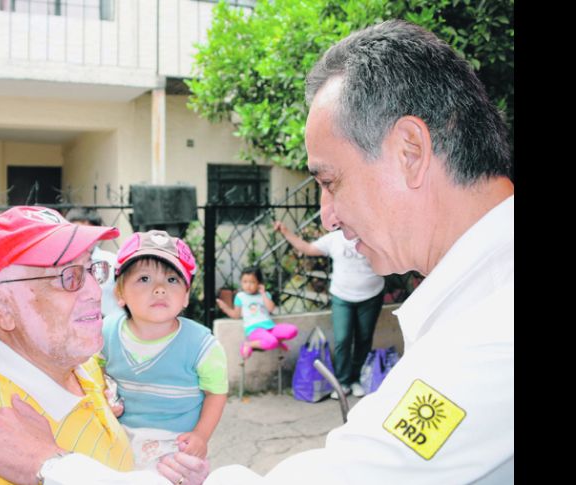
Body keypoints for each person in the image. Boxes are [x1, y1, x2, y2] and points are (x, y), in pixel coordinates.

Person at [205, 19, 513, 484]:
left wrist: (64, 467)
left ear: (410, 150)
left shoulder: (493, 330)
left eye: (330, 182)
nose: (327, 215)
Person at [0, 206, 209, 485]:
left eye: (91, 268)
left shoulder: (76, 362)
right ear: (2, 305)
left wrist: (163, 474)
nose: (93, 290)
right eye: (68, 275)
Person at [102, 229, 228, 468]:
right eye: (144, 279)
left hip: (174, 443)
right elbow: (93, 370)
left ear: (186, 296)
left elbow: (216, 393)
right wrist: (104, 394)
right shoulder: (106, 332)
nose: (159, 288)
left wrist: (201, 435)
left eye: (172, 280)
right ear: (119, 293)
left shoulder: (201, 345)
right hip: (115, 435)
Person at [272, 220, 384, 399]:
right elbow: (308, 249)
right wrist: (286, 232)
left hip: (371, 295)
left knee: (364, 338)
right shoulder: (335, 239)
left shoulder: (373, 235)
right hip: (342, 297)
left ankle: (356, 379)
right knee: (343, 339)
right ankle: (342, 381)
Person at [215, 266, 298, 359]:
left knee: (292, 330)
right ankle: (248, 344)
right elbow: (236, 315)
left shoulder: (265, 295)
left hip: (270, 327)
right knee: (271, 342)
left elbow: (271, 308)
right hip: (254, 329)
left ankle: (277, 341)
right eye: (245, 282)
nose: (248, 285)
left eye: (252, 282)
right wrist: (224, 307)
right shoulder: (240, 296)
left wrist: (263, 293)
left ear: (259, 283)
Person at [65, 207, 123, 318]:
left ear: (98, 236)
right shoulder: (57, 266)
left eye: (88, 234)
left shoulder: (112, 262)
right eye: (76, 233)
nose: (82, 239)